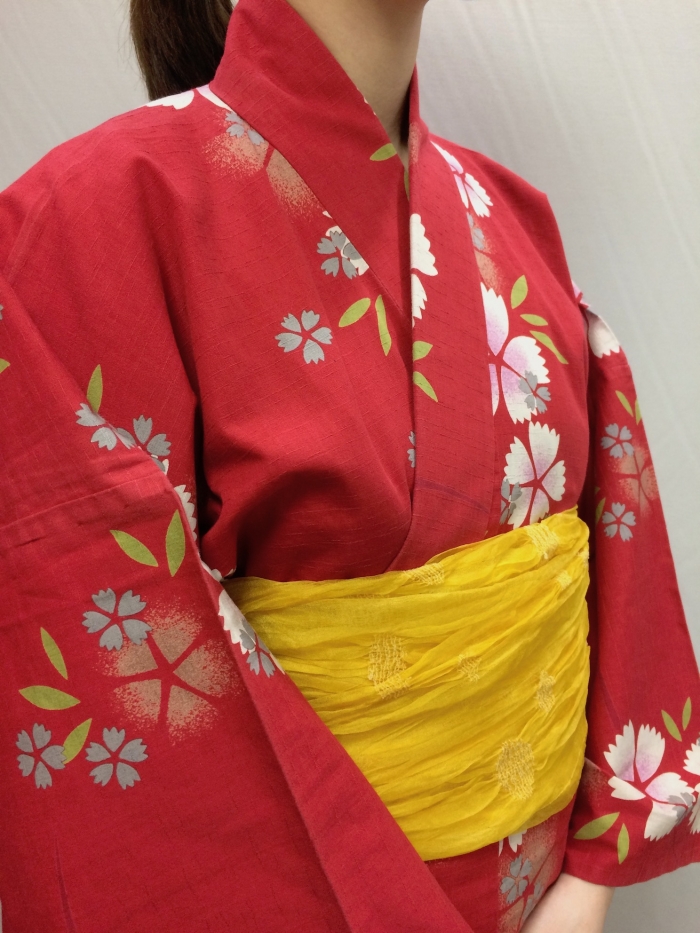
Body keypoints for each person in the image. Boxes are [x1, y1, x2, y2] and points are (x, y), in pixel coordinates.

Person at [0, 1, 697, 930]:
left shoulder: (514, 216)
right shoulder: (94, 214)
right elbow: (83, 641)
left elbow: (613, 542)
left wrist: (586, 887)